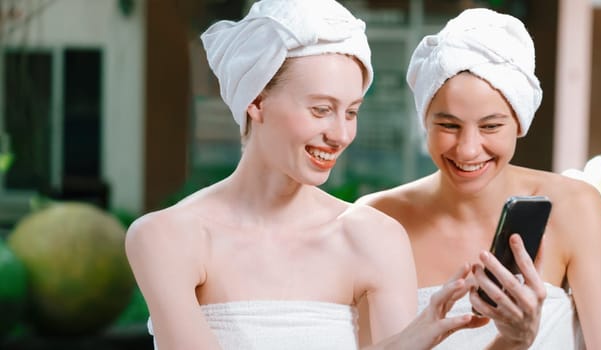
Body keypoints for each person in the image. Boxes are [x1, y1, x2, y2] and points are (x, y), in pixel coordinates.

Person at [124, 1, 486, 349]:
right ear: (257, 101)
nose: (341, 134)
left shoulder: (375, 238)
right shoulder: (168, 238)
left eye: (351, 112)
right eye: (321, 109)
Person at [357, 8, 601, 349]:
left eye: (490, 126)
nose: (468, 150)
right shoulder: (378, 220)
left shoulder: (575, 207)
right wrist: (513, 341)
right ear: (424, 122)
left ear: (520, 122)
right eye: (448, 125)